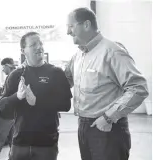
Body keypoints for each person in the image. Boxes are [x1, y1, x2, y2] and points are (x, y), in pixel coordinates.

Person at [65, 8, 149, 160]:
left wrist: (108, 117)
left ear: (86, 25)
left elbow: (138, 88)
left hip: (108, 129)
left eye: (71, 26)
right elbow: (65, 81)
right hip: (83, 126)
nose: (67, 32)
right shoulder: (77, 56)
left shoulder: (112, 51)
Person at [0, 31, 72, 160]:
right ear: (23, 50)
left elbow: (66, 105)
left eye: (40, 43)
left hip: (46, 143)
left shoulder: (56, 73)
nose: (39, 47)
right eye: (33, 45)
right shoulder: (15, 75)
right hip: (20, 143)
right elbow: (3, 110)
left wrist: (37, 101)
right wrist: (17, 97)